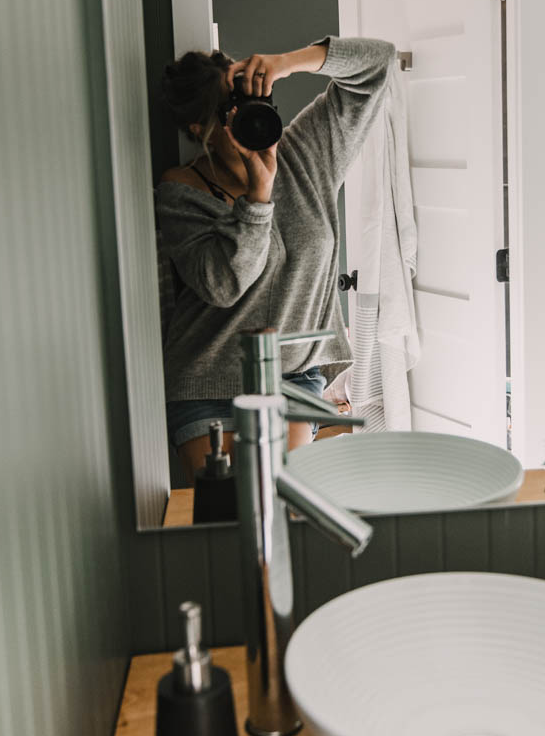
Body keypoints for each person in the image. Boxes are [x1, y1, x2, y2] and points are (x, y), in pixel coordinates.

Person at [156, 36, 395, 483]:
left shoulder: (307, 153)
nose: (248, 118)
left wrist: (289, 62)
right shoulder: (183, 189)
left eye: (251, 101)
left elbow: (378, 64)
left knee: (280, 501)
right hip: (209, 383)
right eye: (230, 112)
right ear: (198, 127)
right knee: (228, 514)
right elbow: (224, 285)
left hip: (292, 378)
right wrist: (258, 196)